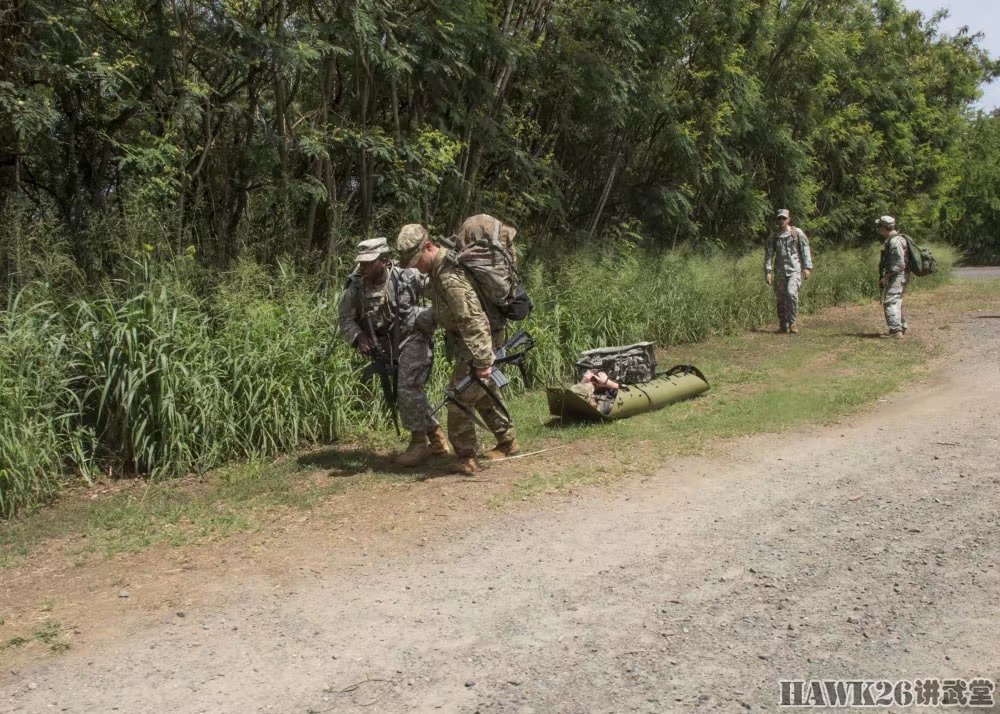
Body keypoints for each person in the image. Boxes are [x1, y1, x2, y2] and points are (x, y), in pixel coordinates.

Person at [396, 224, 518, 476]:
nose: (416, 266)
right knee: (482, 392)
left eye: (418, 259)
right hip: (475, 341)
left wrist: (484, 360)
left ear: (429, 247)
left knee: (459, 398)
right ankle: (508, 441)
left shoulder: (449, 276)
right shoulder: (439, 269)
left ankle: (466, 457)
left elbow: (472, 318)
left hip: (478, 342)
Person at [338, 236, 449, 466]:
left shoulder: (407, 276)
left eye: (369, 262)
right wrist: (359, 337)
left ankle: (419, 444)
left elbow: (441, 288)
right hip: (386, 346)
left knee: (407, 387)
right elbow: (346, 318)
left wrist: (437, 315)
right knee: (410, 391)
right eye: (362, 263)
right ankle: (437, 439)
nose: (364, 267)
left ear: (384, 260)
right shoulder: (356, 286)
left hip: (414, 335)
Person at [764, 208, 813, 333]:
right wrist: (768, 272)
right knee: (780, 297)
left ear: (789, 219)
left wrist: (807, 267)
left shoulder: (796, 233)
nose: (781, 220)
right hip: (779, 271)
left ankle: (792, 323)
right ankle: (783, 324)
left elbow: (805, 249)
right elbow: (769, 254)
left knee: (791, 294)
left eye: (784, 218)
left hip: (794, 270)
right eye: (779, 218)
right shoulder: (774, 236)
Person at [876, 215, 909, 338]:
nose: (878, 229)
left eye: (879, 226)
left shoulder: (895, 241)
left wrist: (886, 277)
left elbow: (899, 264)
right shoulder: (899, 239)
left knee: (889, 302)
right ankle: (901, 327)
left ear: (884, 227)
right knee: (897, 301)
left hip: (898, 275)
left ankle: (896, 331)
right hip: (902, 275)